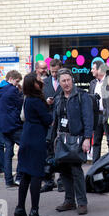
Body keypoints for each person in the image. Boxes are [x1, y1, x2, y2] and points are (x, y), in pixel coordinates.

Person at [53, 68, 93, 215]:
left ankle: (82, 202)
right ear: (59, 82)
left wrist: (87, 139)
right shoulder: (58, 98)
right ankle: (69, 201)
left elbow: (88, 119)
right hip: (62, 139)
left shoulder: (82, 96)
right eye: (63, 81)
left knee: (76, 171)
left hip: (77, 139)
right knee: (64, 172)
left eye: (68, 80)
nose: (66, 83)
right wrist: (51, 140)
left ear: (72, 80)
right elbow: (55, 120)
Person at [15, 73, 53, 216]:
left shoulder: (27, 99)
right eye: (38, 80)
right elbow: (47, 120)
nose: (41, 80)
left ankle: (19, 208)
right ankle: (34, 211)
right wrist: (49, 110)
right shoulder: (37, 100)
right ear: (34, 84)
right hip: (36, 138)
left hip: (26, 137)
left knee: (25, 175)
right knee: (36, 175)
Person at [0, 70, 23, 188]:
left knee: (8, 152)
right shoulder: (12, 90)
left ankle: (8, 180)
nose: (17, 84)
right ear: (11, 78)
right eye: (17, 81)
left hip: (3, 125)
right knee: (25, 148)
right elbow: (20, 104)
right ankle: (19, 177)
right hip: (14, 125)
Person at [40, 58, 64, 193]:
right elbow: (39, 100)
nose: (54, 74)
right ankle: (48, 181)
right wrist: (46, 101)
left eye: (56, 71)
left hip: (62, 122)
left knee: (61, 152)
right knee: (47, 152)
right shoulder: (45, 82)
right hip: (48, 123)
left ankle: (62, 182)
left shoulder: (66, 81)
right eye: (52, 72)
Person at [91, 64, 109, 162]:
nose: (91, 70)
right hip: (97, 116)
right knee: (96, 142)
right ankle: (95, 166)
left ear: (99, 70)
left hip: (108, 115)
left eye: (93, 68)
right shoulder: (93, 83)